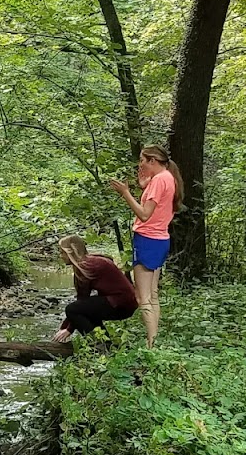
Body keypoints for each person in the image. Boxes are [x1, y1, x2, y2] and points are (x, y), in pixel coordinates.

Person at [108, 145, 182, 346]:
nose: (140, 164)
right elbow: (158, 208)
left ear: (152, 161)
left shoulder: (159, 180)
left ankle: (151, 345)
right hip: (160, 239)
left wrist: (125, 193)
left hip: (148, 239)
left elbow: (144, 214)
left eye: (142, 160)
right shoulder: (167, 177)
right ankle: (154, 341)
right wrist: (143, 187)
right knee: (153, 295)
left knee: (143, 297)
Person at [52, 234, 137, 342]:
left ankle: (97, 345)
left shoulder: (85, 266)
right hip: (127, 302)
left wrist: (68, 329)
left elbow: (80, 302)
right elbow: (83, 304)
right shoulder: (90, 262)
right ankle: (106, 345)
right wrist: (66, 327)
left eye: (62, 252)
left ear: (71, 252)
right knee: (87, 309)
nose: (61, 256)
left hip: (121, 303)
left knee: (72, 309)